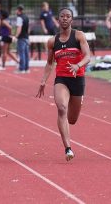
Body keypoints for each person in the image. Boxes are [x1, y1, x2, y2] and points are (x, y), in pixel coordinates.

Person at [36, 8, 91, 161]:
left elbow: (88, 56)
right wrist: (43, 81)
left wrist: (78, 65)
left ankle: (77, 101)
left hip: (78, 79)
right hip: (62, 79)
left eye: (68, 16)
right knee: (61, 108)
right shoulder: (53, 42)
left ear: (71, 20)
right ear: (58, 19)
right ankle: (68, 148)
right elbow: (49, 63)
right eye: (62, 16)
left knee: (72, 119)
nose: (65, 19)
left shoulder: (79, 36)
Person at [15, 5, 30, 73]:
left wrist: (16, 36)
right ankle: (26, 68)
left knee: (22, 53)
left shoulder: (19, 18)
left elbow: (19, 28)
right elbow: (28, 28)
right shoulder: (26, 17)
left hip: (21, 37)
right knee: (26, 53)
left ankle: (22, 68)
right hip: (26, 37)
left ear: (18, 10)